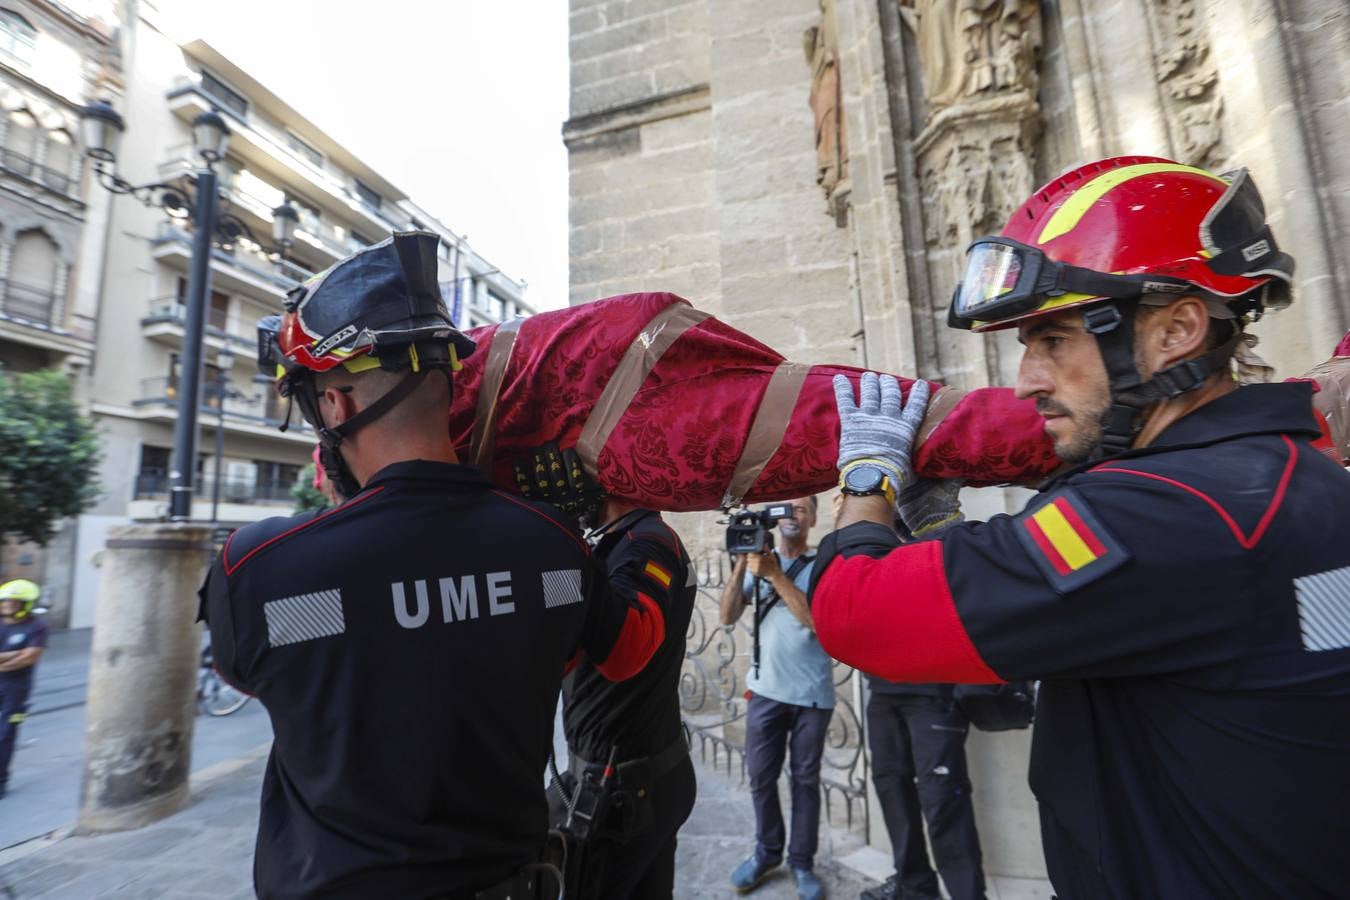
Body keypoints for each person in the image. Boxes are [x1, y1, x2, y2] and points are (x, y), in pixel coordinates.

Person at [809, 157, 1350, 898]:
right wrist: (936, 521)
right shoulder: (1299, 477)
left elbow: (857, 615)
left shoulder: (1164, 512)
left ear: (1177, 331)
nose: (1027, 379)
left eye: (1055, 340)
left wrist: (867, 477)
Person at [200, 232, 668, 900]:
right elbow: (623, 654)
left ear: (335, 405)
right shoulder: (552, 544)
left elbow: (246, 672)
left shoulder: (263, 568)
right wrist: (644, 533)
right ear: (447, 388)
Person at [720, 497, 831, 900]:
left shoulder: (823, 565)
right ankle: (767, 853)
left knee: (805, 782)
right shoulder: (756, 564)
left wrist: (776, 575)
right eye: (786, 510)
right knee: (761, 779)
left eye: (801, 510)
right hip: (765, 691)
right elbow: (727, 616)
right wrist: (741, 562)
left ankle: (802, 863)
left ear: (814, 518)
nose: (792, 517)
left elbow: (817, 621)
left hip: (812, 695)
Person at [861, 671, 985, 900]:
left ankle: (968, 896)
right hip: (881, 688)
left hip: (934, 691)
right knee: (892, 793)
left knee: (943, 800)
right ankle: (914, 885)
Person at [0, 579, 46, 800]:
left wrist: (12, 657)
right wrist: (13, 654)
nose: (7, 606)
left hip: (16, 689)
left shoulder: (37, 626)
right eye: (5, 602)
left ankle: (0, 780)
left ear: (25, 605)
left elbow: (29, 657)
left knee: (5, 734)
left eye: (13, 603)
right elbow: (21, 654)